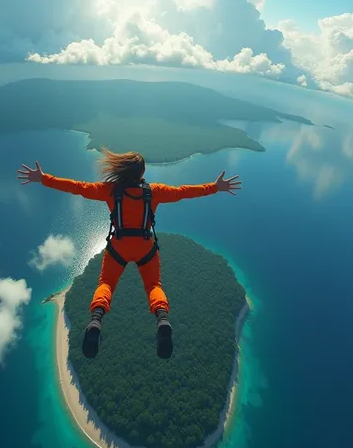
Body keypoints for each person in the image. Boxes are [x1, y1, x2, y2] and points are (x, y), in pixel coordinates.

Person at [17, 149, 241, 360]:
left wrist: (43, 178)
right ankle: (162, 318)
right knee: (154, 286)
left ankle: (96, 320)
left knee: (106, 283)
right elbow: (184, 192)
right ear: (142, 173)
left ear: (122, 170)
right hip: (145, 247)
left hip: (119, 247)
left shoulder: (110, 191)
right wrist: (215, 186)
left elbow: (78, 187)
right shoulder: (154, 192)